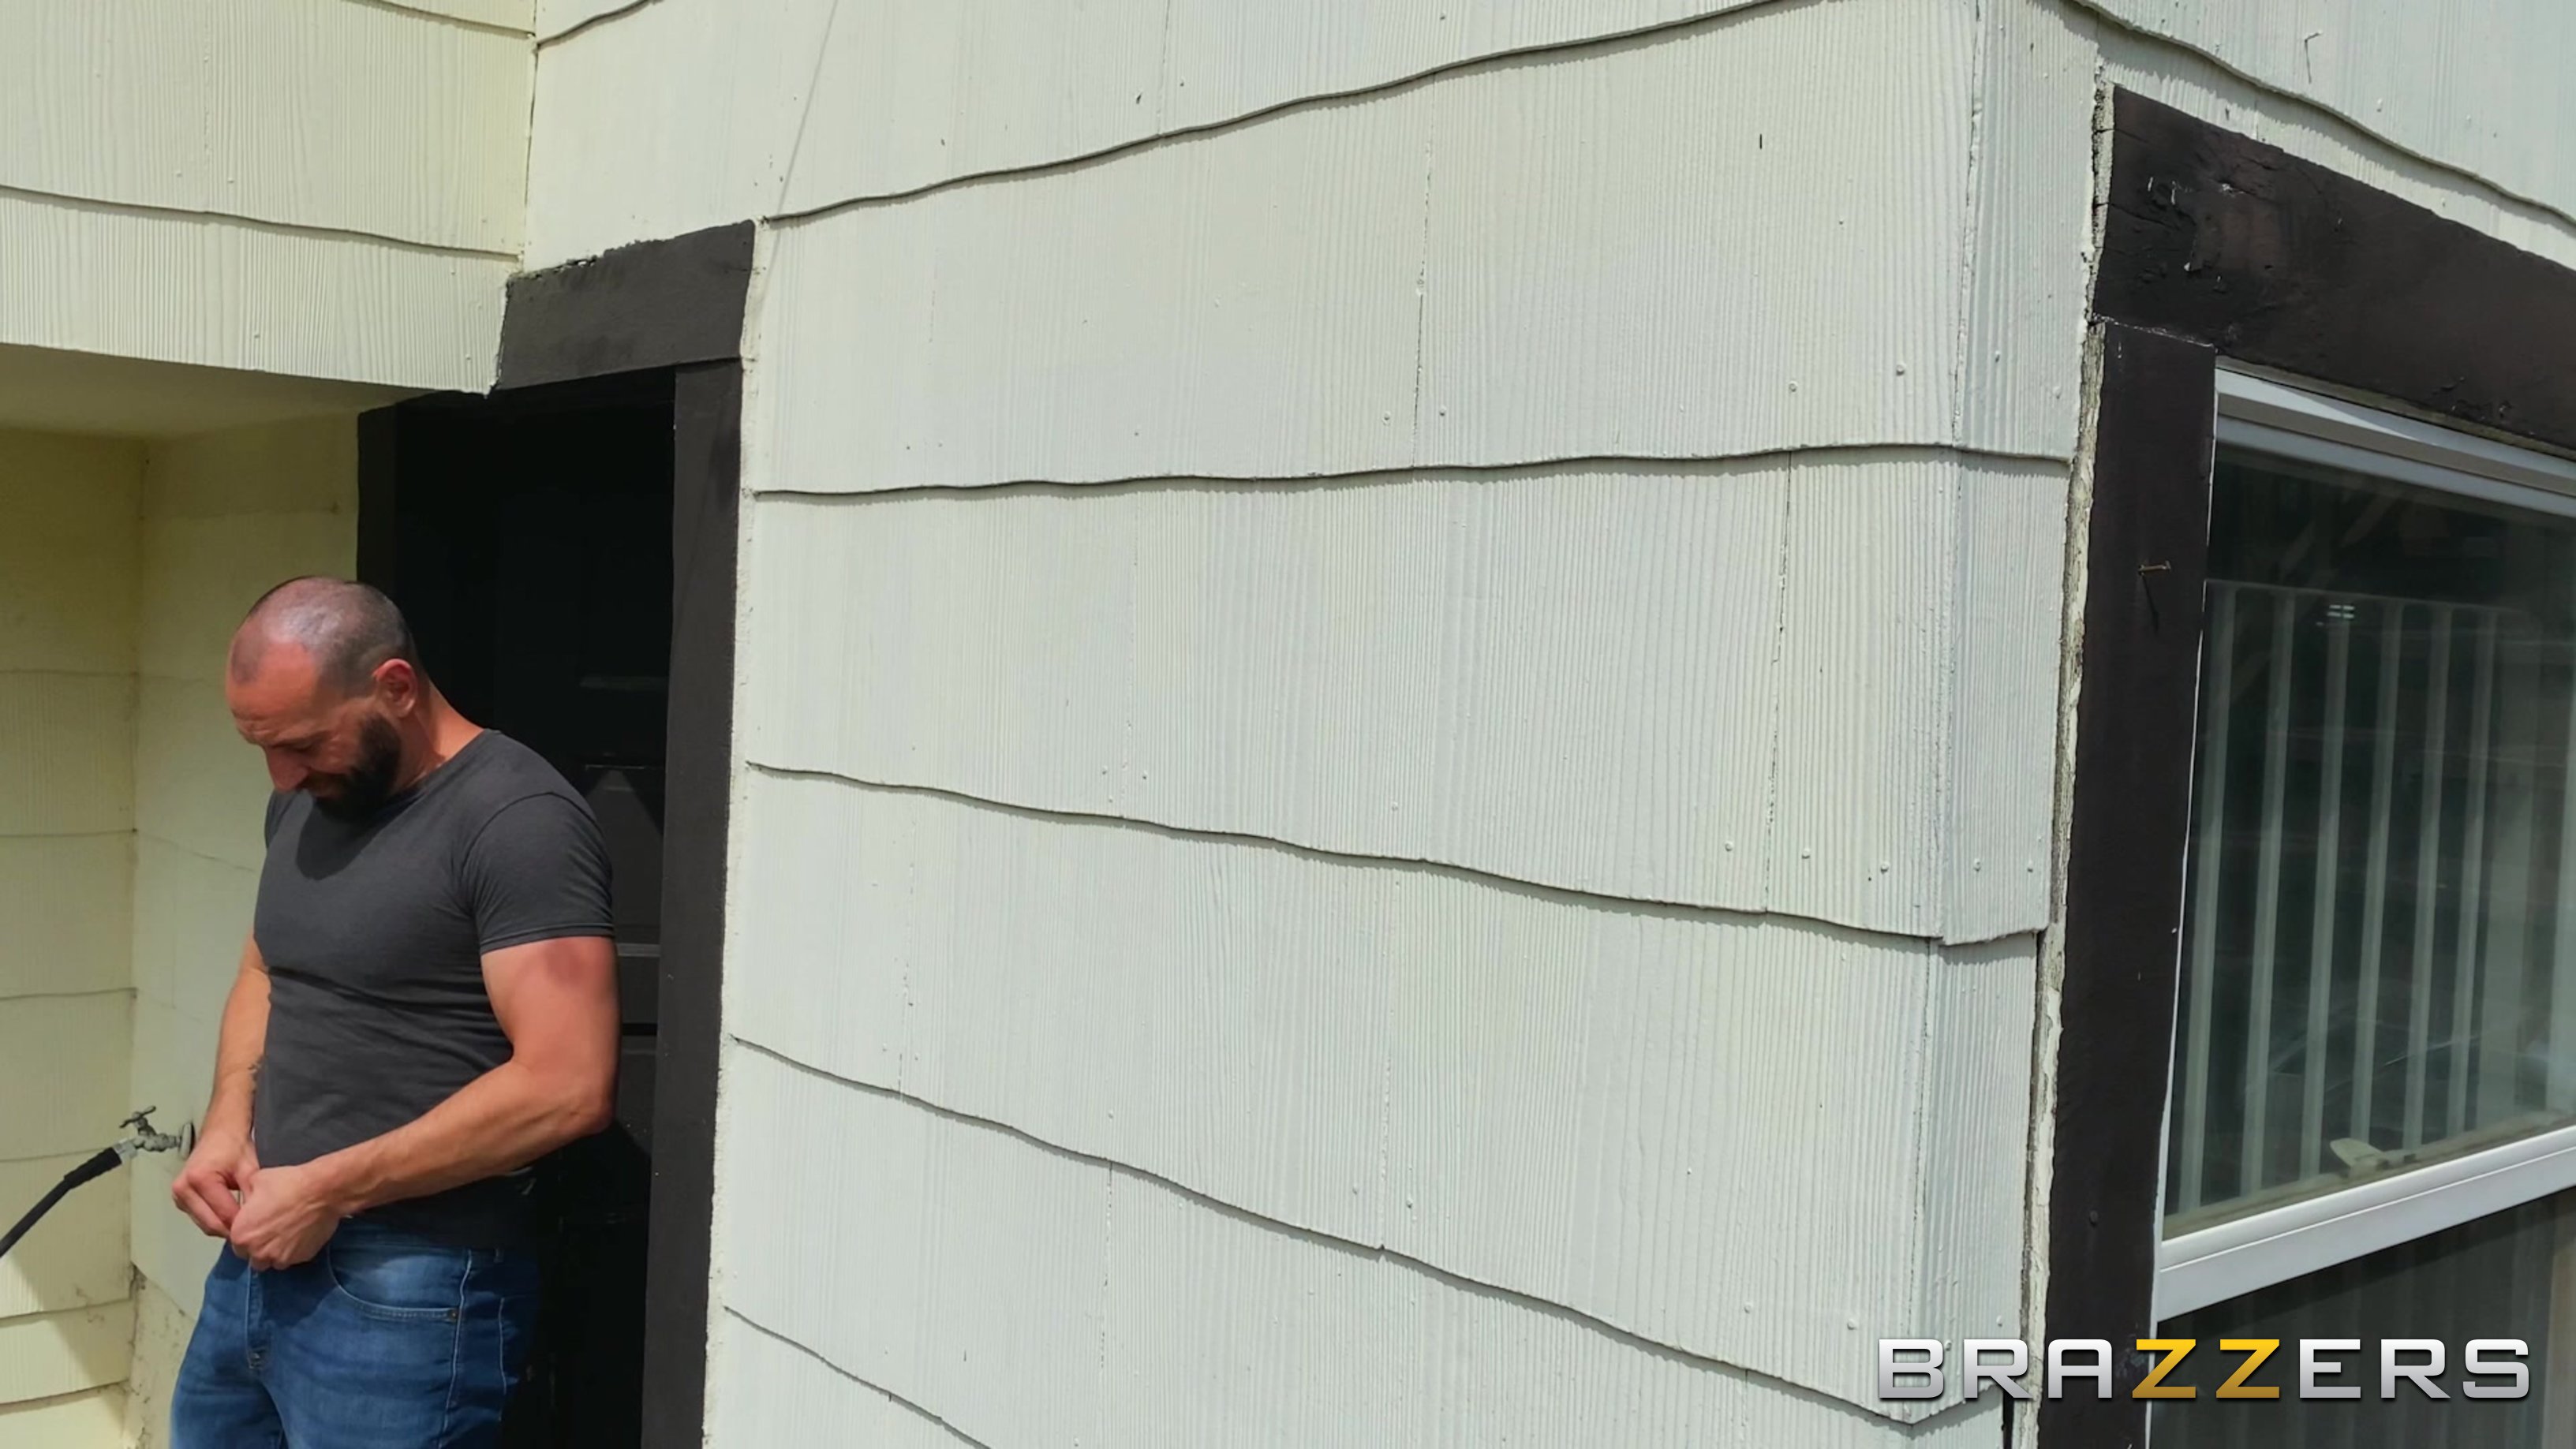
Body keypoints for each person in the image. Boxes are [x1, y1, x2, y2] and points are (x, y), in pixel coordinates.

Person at [166, 577, 620, 1447]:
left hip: (414, 1282)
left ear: (396, 687)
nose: (282, 776)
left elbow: (567, 1084)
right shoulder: (308, 797)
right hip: (263, 1252)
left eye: (303, 743)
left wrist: (328, 1189)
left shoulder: (518, 822)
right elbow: (268, 968)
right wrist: (227, 1122)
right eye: (261, 746)